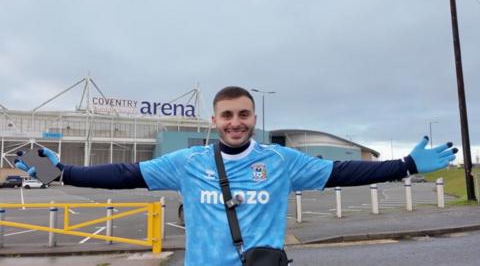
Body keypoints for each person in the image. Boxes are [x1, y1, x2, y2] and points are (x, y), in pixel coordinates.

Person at [15, 86, 457, 266]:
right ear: (214, 119)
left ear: (253, 116)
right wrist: (64, 172)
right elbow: (127, 172)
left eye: (243, 114)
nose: (235, 122)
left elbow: (342, 170)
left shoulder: (281, 161)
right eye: (227, 115)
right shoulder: (188, 164)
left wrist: (407, 166)